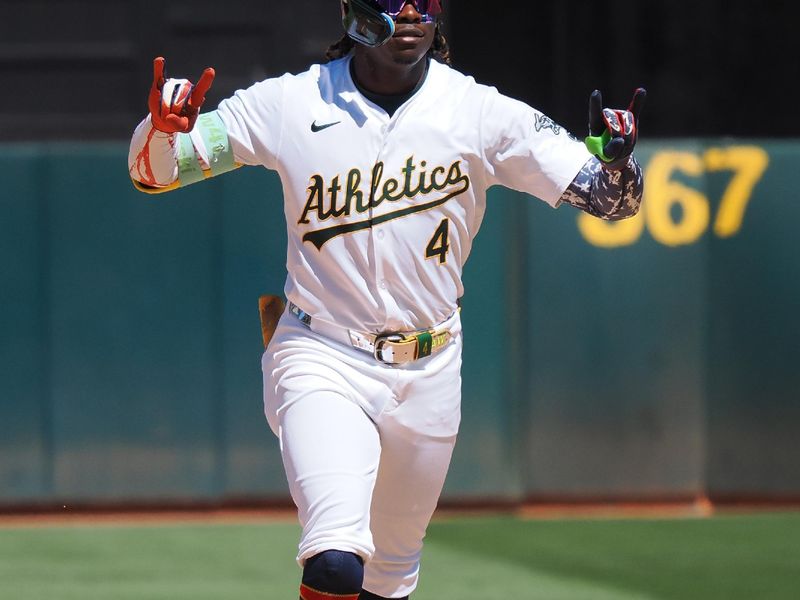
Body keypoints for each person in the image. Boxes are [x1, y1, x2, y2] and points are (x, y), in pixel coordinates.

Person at [128, 1, 645, 598]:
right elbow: (156, 172)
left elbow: (614, 201)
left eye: (423, 1)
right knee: (334, 562)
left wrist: (619, 164)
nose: (408, 13)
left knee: (389, 578)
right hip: (322, 353)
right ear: (353, 11)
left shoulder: (478, 111)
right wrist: (160, 131)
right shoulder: (293, 103)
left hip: (431, 367)